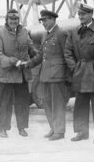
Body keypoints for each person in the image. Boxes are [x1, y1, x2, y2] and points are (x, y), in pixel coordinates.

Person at [64, 3, 94, 144]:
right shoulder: (74, 32)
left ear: (91, 14)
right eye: (79, 14)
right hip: (80, 72)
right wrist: (74, 68)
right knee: (80, 105)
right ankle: (81, 132)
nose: (80, 17)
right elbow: (68, 52)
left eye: (83, 14)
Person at [23, 10, 69, 141]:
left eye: (46, 20)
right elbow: (41, 55)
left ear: (53, 20)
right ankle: (54, 128)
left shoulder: (61, 34)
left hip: (57, 75)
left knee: (58, 103)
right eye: (42, 21)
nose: (43, 23)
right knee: (47, 103)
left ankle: (60, 131)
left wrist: (67, 75)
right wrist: (29, 63)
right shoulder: (45, 35)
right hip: (45, 74)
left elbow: (67, 54)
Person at [0, 9, 37, 138]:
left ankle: (22, 127)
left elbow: (30, 47)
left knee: (23, 102)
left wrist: (38, 56)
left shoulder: (24, 31)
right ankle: (3, 128)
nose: (13, 21)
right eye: (11, 19)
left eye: (16, 19)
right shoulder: (0, 33)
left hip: (22, 74)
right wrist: (12, 61)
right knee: (5, 103)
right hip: (6, 75)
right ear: (6, 20)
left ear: (19, 20)